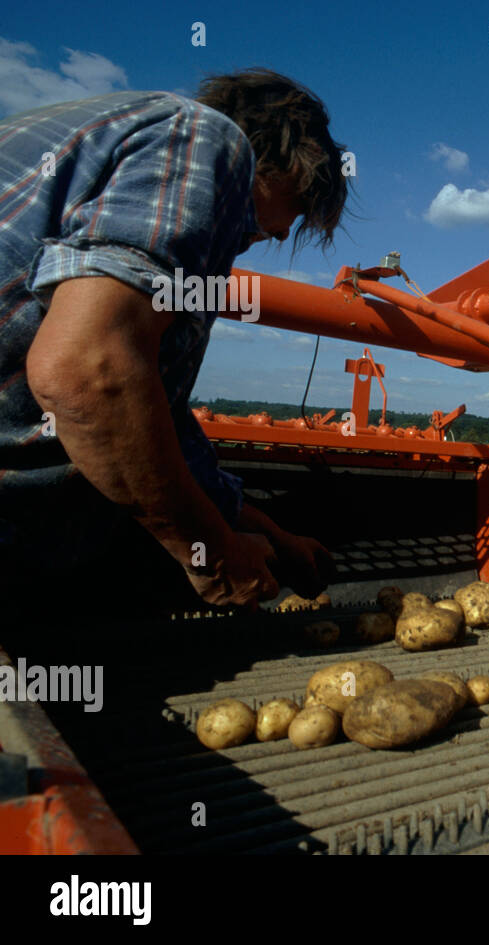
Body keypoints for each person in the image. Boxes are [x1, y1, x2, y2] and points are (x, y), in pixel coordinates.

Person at [0, 69, 348, 612]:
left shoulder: (102, 140)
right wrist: (210, 554)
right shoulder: (205, 140)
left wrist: (258, 527)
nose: (281, 234)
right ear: (290, 163)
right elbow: (88, 374)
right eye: (297, 210)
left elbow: (145, 405)